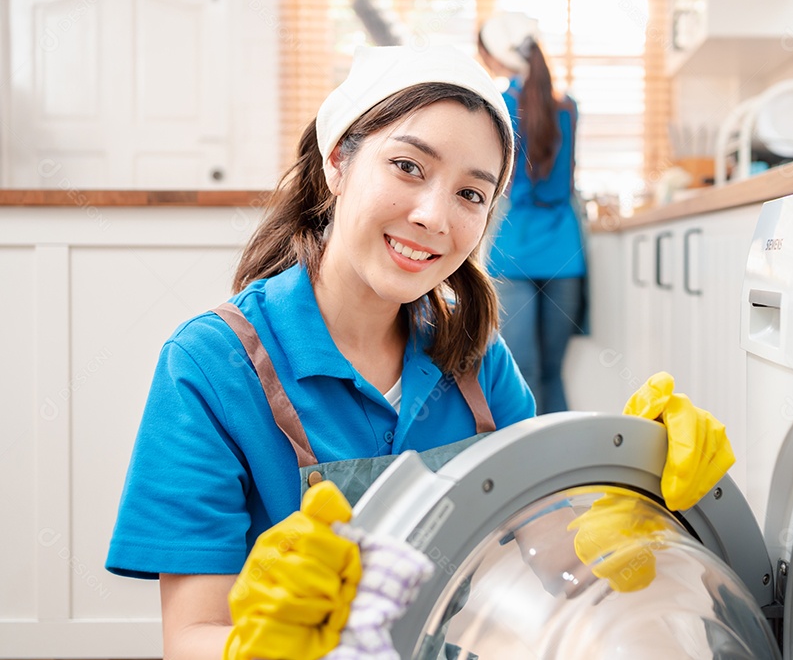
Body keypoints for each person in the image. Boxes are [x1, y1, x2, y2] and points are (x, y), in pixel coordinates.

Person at [106, 44, 535, 659]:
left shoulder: (475, 358)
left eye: (472, 194)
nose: (434, 216)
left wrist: (639, 498)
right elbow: (191, 638)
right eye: (409, 166)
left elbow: (553, 557)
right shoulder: (209, 365)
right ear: (337, 161)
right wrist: (275, 648)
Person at [478, 12, 588, 414]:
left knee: (521, 370)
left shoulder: (501, 103)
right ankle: (568, 473)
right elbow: (569, 179)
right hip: (564, 248)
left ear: (496, 57)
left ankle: (532, 471)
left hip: (515, 247)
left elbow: (498, 181)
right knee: (552, 372)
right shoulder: (569, 107)